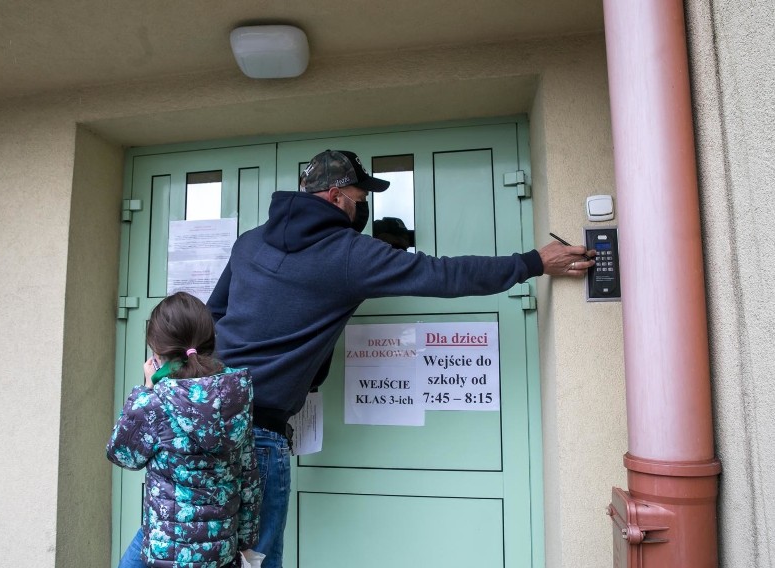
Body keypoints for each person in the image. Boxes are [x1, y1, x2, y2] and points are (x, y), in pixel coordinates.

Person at [205, 149, 596, 568]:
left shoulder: (249, 242)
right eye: (360, 197)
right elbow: (443, 275)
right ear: (336, 197)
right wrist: (533, 262)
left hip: (206, 412)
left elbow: (213, 317)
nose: (364, 208)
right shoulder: (350, 254)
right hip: (258, 432)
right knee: (254, 561)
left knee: (181, 535)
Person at [108, 291, 262, 568]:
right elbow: (249, 476)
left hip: (168, 549)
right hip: (221, 549)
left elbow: (123, 455)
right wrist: (245, 542)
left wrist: (145, 390)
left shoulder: (154, 403)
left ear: (156, 351)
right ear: (210, 341)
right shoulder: (236, 396)